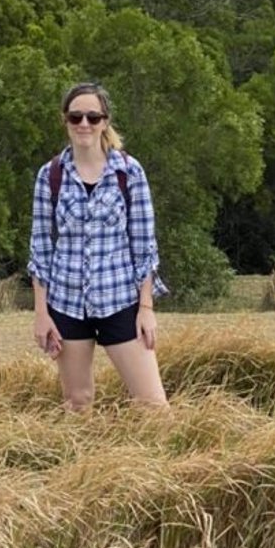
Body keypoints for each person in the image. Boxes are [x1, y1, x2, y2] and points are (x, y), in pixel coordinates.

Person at [28, 81, 168, 410]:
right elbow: (40, 250)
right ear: (65, 121)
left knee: (153, 404)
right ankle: (84, 462)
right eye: (76, 117)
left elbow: (145, 246)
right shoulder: (50, 176)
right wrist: (41, 314)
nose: (84, 125)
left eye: (93, 117)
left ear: (105, 121)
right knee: (78, 401)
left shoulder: (129, 172)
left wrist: (146, 309)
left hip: (119, 300)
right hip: (67, 303)